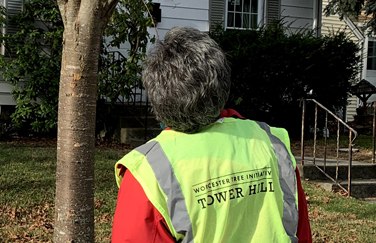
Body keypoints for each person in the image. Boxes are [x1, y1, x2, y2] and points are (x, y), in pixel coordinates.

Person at [112, 26, 312, 243]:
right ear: (221, 84)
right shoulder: (272, 144)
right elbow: (301, 233)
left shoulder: (148, 171)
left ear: (157, 96)